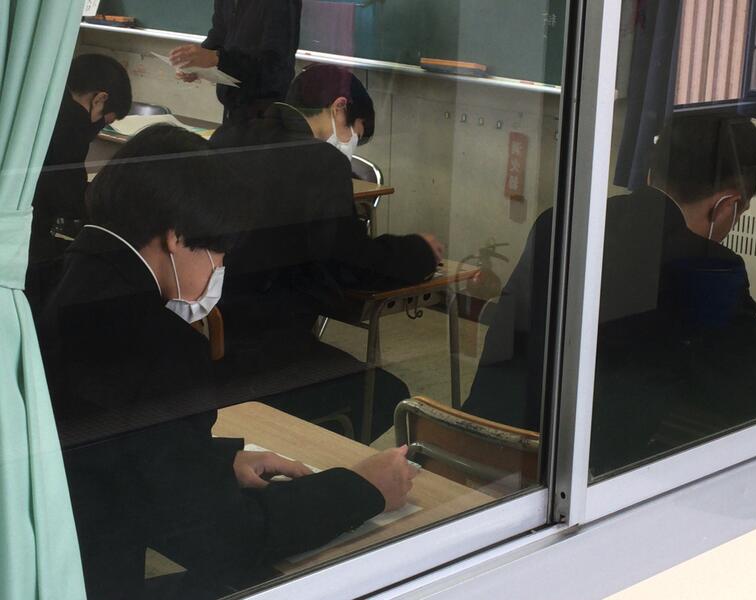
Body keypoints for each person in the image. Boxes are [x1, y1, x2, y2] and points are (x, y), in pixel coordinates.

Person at [36, 125, 417, 599]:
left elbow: (113, 453)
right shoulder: (158, 344)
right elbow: (229, 539)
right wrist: (362, 488)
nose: (219, 268)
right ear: (175, 238)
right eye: (217, 250)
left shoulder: (42, 282)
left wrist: (213, 463)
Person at [462, 114, 756, 475]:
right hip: (574, 476)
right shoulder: (704, 266)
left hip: (475, 443)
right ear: (727, 206)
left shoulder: (561, 221)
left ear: (651, 175)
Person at [208, 65, 443, 440]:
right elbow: (349, 263)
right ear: (339, 107)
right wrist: (419, 252)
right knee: (387, 396)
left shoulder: (229, 134)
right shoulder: (320, 162)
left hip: (207, 336)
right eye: (355, 132)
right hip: (261, 348)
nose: (349, 143)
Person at [26, 53, 131, 309]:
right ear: (100, 99)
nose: (98, 128)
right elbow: (69, 199)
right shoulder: (71, 125)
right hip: (29, 241)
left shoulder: (42, 101)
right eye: (106, 120)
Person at [169, 0, 302, 122]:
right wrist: (195, 63)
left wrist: (217, 58)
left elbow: (274, 64)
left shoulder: (280, 3)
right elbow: (218, 35)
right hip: (232, 105)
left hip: (266, 111)